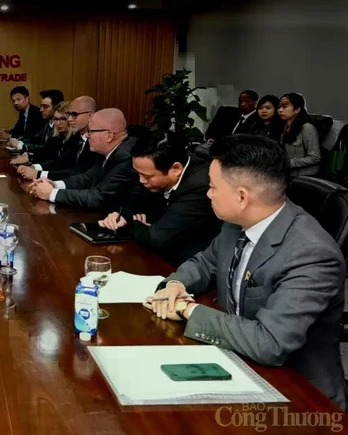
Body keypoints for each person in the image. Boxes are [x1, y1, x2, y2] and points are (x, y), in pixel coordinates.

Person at [144, 135, 347, 410]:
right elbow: (205, 263)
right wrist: (176, 285)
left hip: (298, 395)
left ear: (242, 197)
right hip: (235, 361)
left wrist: (186, 310)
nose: (208, 193)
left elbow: (270, 343)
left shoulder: (312, 254)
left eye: (213, 187)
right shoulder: (237, 222)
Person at [98, 131, 221, 265]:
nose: (141, 180)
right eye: (138, 174)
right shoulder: (153, 169)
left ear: (176, 169)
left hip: (185, 266)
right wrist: (122, 216)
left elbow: (155, 239)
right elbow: (137, 196)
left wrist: (135, 224)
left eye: (147, 176)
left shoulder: (200, 187)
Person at [29, 108, 137, 210]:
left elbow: (98, 197)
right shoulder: (107, 151)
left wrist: (51, 193)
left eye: (91, 131)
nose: (87, 135)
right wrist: (55, 184)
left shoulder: (125, 158)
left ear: (109, 136)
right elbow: (86, 178)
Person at [16, 96, 97, 179]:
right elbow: (61, 162)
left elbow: (78, 174)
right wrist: (34, 167)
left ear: (90, 116)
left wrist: (38, 174)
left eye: (74, 115)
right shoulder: (76, 137)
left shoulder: (95, 143)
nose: (69, 119)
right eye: (69, 115)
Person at [11, 102, 80, 172]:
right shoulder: (57, 138)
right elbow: (45, 152)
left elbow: (61, 163)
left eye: (63, 119)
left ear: (70, 119)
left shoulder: (75, 139)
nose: (58, 123)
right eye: (56, 119)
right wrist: (29, 157)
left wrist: (34, 167)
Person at [278, 92, 321, 177]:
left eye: (285, 107)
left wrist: (289, 163)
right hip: (289, 174)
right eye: (279, 107)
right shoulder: (285, 128)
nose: (280, 110)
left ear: (297, 109)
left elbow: (315, 157)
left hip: (306, 176)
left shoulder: (307, 128)